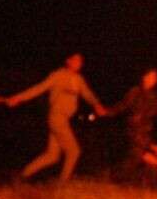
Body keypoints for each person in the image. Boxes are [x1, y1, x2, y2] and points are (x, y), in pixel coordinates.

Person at [9, 53, 106, 183]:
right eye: (75, 60)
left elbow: (87, 93)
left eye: (80, 61)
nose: (79, 63)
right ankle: (62, 184)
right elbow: (39, 88)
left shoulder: (79, 79)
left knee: (52, 155)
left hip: (64, 119)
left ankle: (22, 175)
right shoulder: (58, 75)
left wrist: (97, 104)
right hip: (56, 117)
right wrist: (19, 98)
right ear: (68, 61)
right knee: (74, 151)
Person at [100, 68, 157, 182]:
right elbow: (122, 106)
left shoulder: (153, 96)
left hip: (146, 132)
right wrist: (107, 111)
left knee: (137, 157)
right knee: (138, 156)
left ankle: (119, 177)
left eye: (155, 77)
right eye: (151, 76)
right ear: (144, 77)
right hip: (134, 130)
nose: (153, 79)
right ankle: (113, 175)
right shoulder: (135, 92)